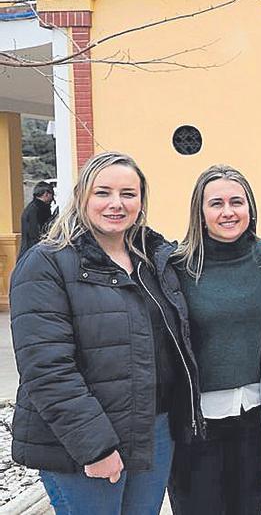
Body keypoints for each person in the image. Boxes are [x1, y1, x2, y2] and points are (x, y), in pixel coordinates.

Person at [10, 152, 202, 514]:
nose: (116, 204)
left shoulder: (152, 260)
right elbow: (46, 368)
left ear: (141, 201)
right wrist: (94, 446)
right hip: (83, 439)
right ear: (82, 197)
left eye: (128, 194)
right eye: (103, 193)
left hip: (154, 429)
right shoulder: (47, 263)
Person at [168, 166, 261, 515]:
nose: (228, 212)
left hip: (256, 415)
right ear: (200, 212)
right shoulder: (177, 265)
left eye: (236, 202)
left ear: (251, 208)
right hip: (196, 421)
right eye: (216, 203)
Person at [18, 181, 55, 256]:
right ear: (46, 194)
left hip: (32, 250)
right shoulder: (36, 210)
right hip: (33, 252)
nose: (53, 198)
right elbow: (35, 234)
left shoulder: (34, 208)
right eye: (52, 195)